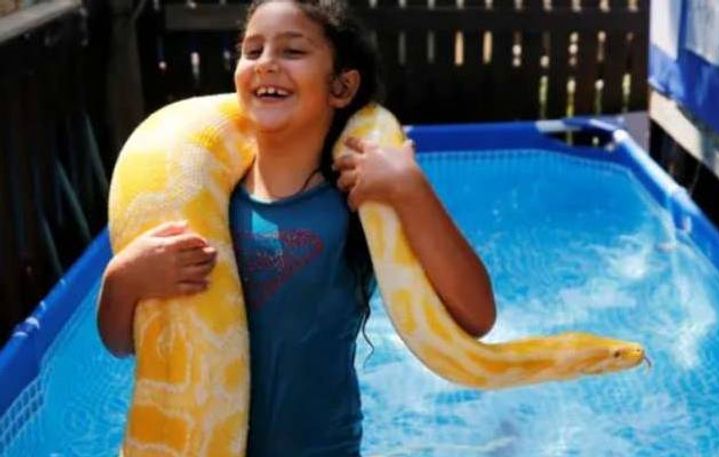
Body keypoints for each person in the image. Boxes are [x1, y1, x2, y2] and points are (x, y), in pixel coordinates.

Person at [97, 0, 496, 455]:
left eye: (292, 51)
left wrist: (412, 191)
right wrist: (122, 279)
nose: (267, 63)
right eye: (252, 50)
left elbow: (476, 317)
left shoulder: (356, 202)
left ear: (342, 87)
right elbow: (122, 344)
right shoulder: (202, 203)